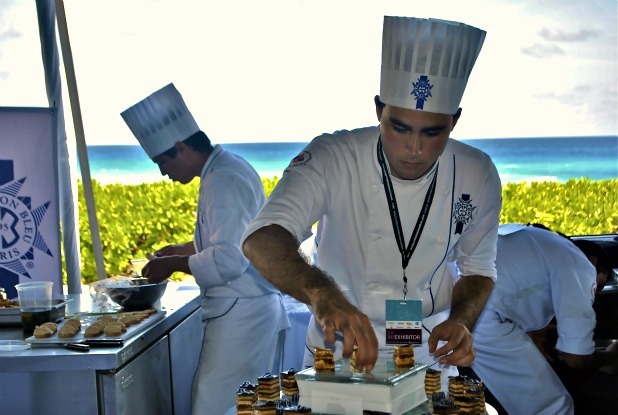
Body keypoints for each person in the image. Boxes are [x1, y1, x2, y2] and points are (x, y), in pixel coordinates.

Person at [241, 16, 502, 377]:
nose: (414, 148)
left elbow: (478, 269)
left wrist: (461, 321)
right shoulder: (334, 156)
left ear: (454, 121)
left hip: (428, 352)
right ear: (379, 111)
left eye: (432, 132)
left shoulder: (478, 172)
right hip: (338, 351)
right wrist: (323, 295)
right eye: (399, 128)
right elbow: (262, 239)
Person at [121, 83, 290, 415]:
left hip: (243, 315)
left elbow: (229, 259)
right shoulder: (223, 170)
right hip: (245, 312)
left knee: (214, 408)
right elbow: (227, 240)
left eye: (162, 162)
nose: (163, 173)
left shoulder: (223, 179)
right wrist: (179, 250)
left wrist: (175, 264)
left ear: (181, 147)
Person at [462, 223, 618, 415]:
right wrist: (611, 356)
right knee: (552, 408)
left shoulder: (539, 243)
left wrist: (527, 334)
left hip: (459, 298)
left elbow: (512, 289)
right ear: (593, 262)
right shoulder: (581, 264)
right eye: (598, 285)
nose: (593, 295)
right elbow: (576, 359)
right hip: (480, 315)